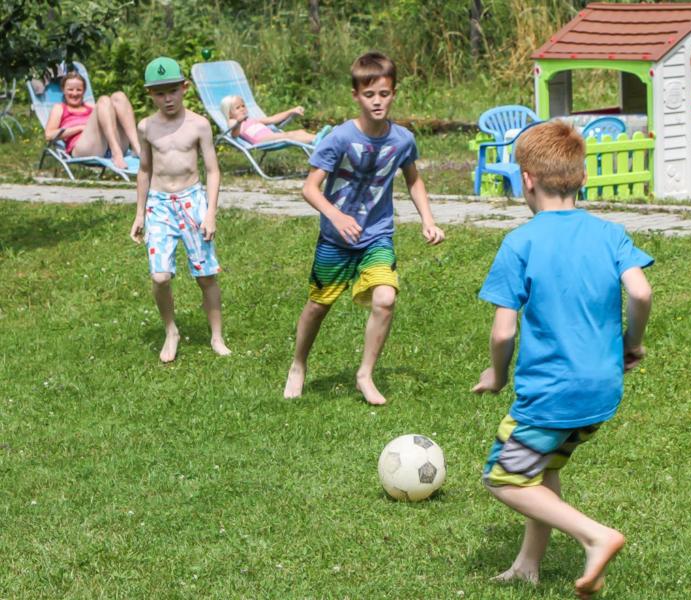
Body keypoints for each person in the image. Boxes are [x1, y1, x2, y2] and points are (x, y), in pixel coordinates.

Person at [472, 120, 653, 598]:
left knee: (503, 477)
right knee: (543, 465)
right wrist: (631, 343)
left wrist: (495, 373)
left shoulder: (520, 243)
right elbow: (640, 290)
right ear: (581, 177)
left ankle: (595, 537)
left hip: (551, 393)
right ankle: (528, 565)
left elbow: (504, 329)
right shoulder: (610, 233)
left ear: (526, 179)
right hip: (602, 390)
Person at [283, 51, 445, 405]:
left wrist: (428, 221)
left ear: (394, 92)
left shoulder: (402, 140)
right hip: (335, 239)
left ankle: (365, 375)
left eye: (384, 94)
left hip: (377, 235)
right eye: (369, 95)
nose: (377, 102)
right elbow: (309, 187)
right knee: (317, 306)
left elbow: (414, 181)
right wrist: (336, 217)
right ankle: (298, 364)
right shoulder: (339, 138)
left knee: (386, 298)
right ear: (356, 95)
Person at [129, 57, 230, 363]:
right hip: (159, 205)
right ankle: (170, 330)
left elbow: (213, 170)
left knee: (206, 274)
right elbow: (145, 170)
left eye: (172, 90)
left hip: (193, 202)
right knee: (160, 277)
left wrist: (210, 211)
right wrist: (139, 213)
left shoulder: (199, 124)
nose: (167, 98)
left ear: (184, 88)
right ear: (150, 94)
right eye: (160, 93)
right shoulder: (147, 127)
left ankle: (216, 335)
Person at [44, 70, 140, 170]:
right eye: (70, 89)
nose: (75, 93)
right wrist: (80, 128)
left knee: (119, 96)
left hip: (108, 146)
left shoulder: (92, 107)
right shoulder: (60, 108)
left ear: (84, 91)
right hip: (84, 148)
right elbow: (49, 135)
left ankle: (136, 147)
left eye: (79, 90)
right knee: (104, 100)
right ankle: (116, 152)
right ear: (63, 90)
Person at [219, 95, 331, 146]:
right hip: (261, 140)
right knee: (287, 135)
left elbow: (273, 119)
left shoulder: (253, 120)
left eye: (243, 106)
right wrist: (238, 122)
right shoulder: (233, 122)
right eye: (237, 108)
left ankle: (320, 139)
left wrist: (291, 111)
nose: (242, 109)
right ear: (229, 113)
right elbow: (234, 133)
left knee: (298, 132)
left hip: (270, 136)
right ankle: (320, 140)